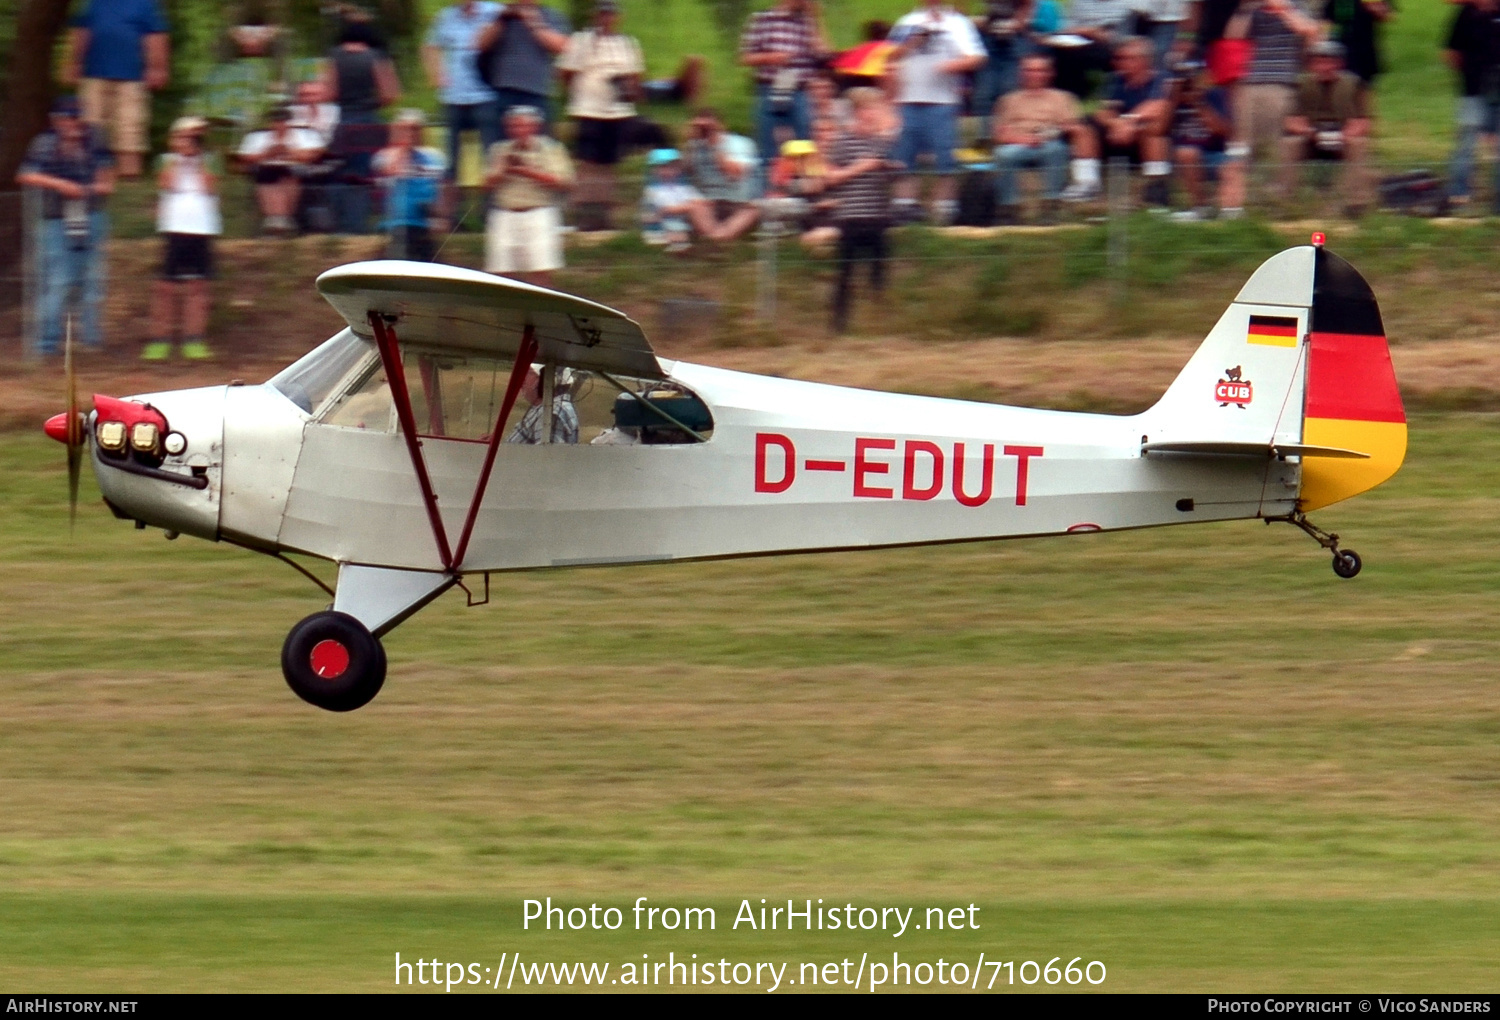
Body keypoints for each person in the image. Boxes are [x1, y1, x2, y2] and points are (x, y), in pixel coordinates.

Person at [15, 97, 115, 356]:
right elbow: (26, 174)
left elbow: (107, 181)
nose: (72, 123)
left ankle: (90, 340)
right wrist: (60, 185)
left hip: (91, 214)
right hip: (55, 219)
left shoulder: (95, 138)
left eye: (76, 118)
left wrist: (87, 189)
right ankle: (47, 344)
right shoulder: (44, 143)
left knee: (92, 279)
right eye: (66, 118)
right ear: (55, 120)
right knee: (56, 281)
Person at [887, 0, 987, 224]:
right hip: (906, 101)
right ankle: (905, 209)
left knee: (945, 160)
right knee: (903, 160)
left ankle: (944, 211)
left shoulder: (957, 23)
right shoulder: (906, 22)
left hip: (943, 102)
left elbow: (977, 57)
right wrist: (911, 44)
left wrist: (951, 66)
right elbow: (887, 57)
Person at [558, 0, 646, 229]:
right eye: (602, 14)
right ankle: (584, 212)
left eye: (610, 14)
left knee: (609, 162)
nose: (606, 18)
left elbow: (635, 77)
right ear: (595, 16)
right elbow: (566, 73)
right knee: (588, 162)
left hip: (617, 111)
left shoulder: (627, 44)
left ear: (617, 17)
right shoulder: (581, 40)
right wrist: (580, 94)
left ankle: (604, 214)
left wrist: (628, 91)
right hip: (588, 109)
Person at [62, 0, 170, 178]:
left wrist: (157, 68)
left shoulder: (145, 4)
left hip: (133, 77)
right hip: (94, 74)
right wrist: (74, 63)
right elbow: (81, 33)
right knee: (91, 122)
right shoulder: (92, 3)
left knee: (131, 125)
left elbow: (156, 36)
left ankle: (129, 174)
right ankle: (91, 172)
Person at [1228, 0, 1321, 197]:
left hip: (1281, 82)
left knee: (1275, 140)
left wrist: (1283, 9)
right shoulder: (1254, 9)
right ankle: (1240, 193)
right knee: (1243, 142)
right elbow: (1233, 36)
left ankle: (1279, 191)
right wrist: (1246, 8)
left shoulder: (1296, 6)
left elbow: (1311, 31)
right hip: (1250, 82)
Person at [146, 118, 221, 362]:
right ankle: (159, 339)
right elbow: (166, 184)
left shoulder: (210, 161)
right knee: (165, 286)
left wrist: (197, 159)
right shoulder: (166, 160)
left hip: (201, 228)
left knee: (198, 286)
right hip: (174, 228)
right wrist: (180, 157)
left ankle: (194, 339)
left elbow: (210, 187)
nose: (189, 142)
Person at [1069, 36, 1173, 205]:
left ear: (1142, 60)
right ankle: (1087, 184)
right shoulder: (1114, 80)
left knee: (1154, 129)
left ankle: (1157, 186)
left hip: (1143, 138)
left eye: (1124, 58)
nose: (1118, 62)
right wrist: (1117, 124)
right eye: (1118, 58)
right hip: (1115, 136)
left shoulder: (1162, 79)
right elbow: (1100, 109)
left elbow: (1159, 106)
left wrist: (1130, 121)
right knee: (1083, 127)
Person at [826, 88, 896, 334]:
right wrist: (861, 167)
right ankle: (838, 326)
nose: (876, 113)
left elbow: (894, 176)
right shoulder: (842, 141)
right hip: (851, 216)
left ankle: (877, 322)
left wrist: (888, 168)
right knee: (845, 273)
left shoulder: (882, 143)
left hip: (878, 215)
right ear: (860, 112)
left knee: (879, 272)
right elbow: (830, 177)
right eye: (872, 108)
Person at [484, 106, 575, 287]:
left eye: (522, 126)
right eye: (513, 127)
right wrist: (504, 169)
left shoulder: (551, 148)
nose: (517, 131)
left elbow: (565, 182)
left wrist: (527, 171)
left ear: (534, 127)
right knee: (501, 271)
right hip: (505, 213)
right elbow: (485, 185)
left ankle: (539, 311)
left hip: (539, 212)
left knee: (541, 269)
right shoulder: (498, 149)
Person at [1281, 40, 1371, 216]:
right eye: (1319, 62)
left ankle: (1356, 202)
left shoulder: (1354, 85)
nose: (1324, 67)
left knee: (1358, 144)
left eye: (1329, 62)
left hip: (1343, 135)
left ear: (1339, 64)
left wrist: (1346, 134)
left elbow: (1364, 121)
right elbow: (1290, 120)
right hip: (1312, 136)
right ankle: (1283, 200)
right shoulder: (1301, 85)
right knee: (1290, 144)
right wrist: (1309, 132)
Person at [991, 52, 1084, 222]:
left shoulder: (1062, 98)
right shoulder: (1009, 100)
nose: (1035, 74)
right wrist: (1022, 140)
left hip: (1050, 142)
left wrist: (1051, 134)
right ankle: (1009, 208)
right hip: (1018, 144)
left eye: (1040, 70)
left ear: (1050, 73)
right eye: (1029, 70)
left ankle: (1050, 206)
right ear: (1021, 73)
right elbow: (1000, 133)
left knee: (1055, 150)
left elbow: (1073, 127)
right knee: (1004, 154)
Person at [738, 0, 829, 161]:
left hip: (799, 88)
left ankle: (804, 179)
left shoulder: (806, 22)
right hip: (770, 86)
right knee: (769, 142)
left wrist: (814, 19)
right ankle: (771, 180)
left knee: (804, 141)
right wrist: (770, 57)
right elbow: (745, 57)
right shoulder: (763, 19)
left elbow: (823, 54)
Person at [423, 1, 502, 185]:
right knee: (451, 161)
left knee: (491, 158)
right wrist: (437, 75)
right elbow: (430, 46)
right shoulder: (447, 16)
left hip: (486, 95)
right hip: (454, 96)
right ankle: (450, 211)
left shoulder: (494, 12)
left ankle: (488, 210)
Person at [476, 0, 571, 126]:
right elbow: (480, 44)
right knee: (501, 143)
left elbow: (562, 46)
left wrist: (534, 22)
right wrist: (501, 20)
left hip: (537, 92)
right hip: (503, 91)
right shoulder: (502, 15)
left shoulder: (551, 15)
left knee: (539, 142)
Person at [1167, 60, 1241, 218]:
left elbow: (1224, 131)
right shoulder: (1172, 98)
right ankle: (1200, 208)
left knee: (1233, 165)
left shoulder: (1215, 95)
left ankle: (1230, 216)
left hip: (1212, 154)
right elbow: (1160, 129)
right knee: (1186, 153)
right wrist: (1174, 99)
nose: (1190, 81)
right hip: (1180, 157)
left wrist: (1198, 102)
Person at [1445, 0, 1500, 208]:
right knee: (1467, 140)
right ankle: (1459, 191)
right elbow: (1451, 52)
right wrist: (1468, 73)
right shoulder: (1465, 14)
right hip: (1473, 90)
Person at [236, 106, 324, 234]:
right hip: (265, 170)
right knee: (267, 174)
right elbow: (243, 157)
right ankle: (274, 219)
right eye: (276, 121)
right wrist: (266, 153)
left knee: (288, 173)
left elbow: (315, 154)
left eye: (283, 121)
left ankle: (284, 218)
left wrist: (288, 151)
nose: (280, 125)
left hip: (297, 170)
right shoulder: (256, 137)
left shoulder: (304, 134)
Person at [373, 110, 447, 261]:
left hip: (425, 223)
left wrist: (442, 215)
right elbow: (390, 171)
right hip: (397, 225)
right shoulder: (385, 156)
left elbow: (442, 187)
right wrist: (403, 148)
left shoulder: (434, 157)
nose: (411, 133)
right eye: (405, 129)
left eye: (415, 129)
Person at [683, 108, 762, 241]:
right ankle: (716, 237)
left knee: (753, 210)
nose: (705, 131)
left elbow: (735, 174)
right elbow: (685, 172)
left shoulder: (740, 143)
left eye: (708, 127)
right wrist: (688, 144)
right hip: (709, 202)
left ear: (721, 126)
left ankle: (718, 237)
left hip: (738, 202)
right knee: (695, 206)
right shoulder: (694, 145)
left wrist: (715, 145)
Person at [322, 18, 402, 127]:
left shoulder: (334, 56)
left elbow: (329, 93)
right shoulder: (377, 56)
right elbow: (390, 95)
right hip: (369, 119)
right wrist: (372, 104)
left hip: (343, 120)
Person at [1051, 0, 1131, 98]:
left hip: (1109, 46)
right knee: (1059, 52)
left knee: (1080, 56)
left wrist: (1091, 32)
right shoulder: (1080, 2)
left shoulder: (1125, 4)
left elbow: (1121, 35)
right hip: (1080, 42)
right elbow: (1069, 28)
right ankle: (1065, 97)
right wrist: (1089, 31)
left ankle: (1077, 95)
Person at [640, 149, 702, 250]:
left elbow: (694, 197)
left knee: (684, 220)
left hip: (678, 218)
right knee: (674, 225)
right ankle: (678, 245)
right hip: (659, 224)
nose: (668, 171)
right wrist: (690, 207)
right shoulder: (653, 190)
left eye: (672, 168)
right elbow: (666, 209)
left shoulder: (681, 187)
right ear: (653, 170)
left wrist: (699, 202)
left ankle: (684, 241)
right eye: (663, 167)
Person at [1322, 0, 1391, 90]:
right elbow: (1327, 20)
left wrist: (1376, 7)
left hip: (1364, 49)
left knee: (1364, 87)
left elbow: (1386, 16)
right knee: (1340, 86)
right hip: (1340, 49)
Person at [507, 367, 579, 444]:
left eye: (529, 373)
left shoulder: (551, 412)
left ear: (545, 381)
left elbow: (546, 454)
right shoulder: (549, 408)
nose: (522, 379)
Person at [287, 80, 341, 147]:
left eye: (313, 95)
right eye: (304, 95)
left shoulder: (333, 111)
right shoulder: (291, 112)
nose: (309, 99)